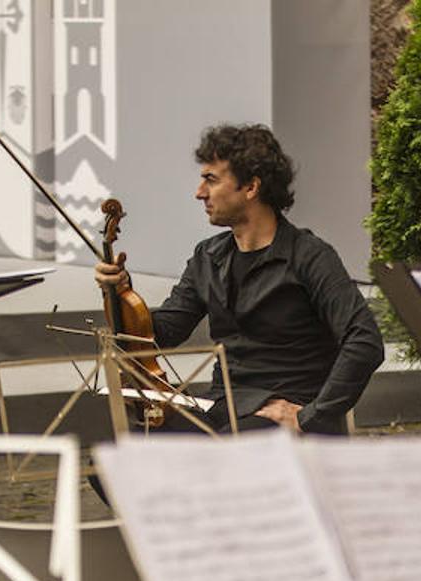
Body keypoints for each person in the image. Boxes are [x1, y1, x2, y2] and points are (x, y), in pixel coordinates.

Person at [95, 124, 384, 434]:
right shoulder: (207, 256)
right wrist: (120, 293)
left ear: (250, 188)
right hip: (223, 406)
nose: (199, 192)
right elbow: (163, 332)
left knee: (221, 460)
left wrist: (311, 416)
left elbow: (364, 340)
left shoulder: (310, 256)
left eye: (211, 180)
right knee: (115, 462)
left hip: (283, 410)